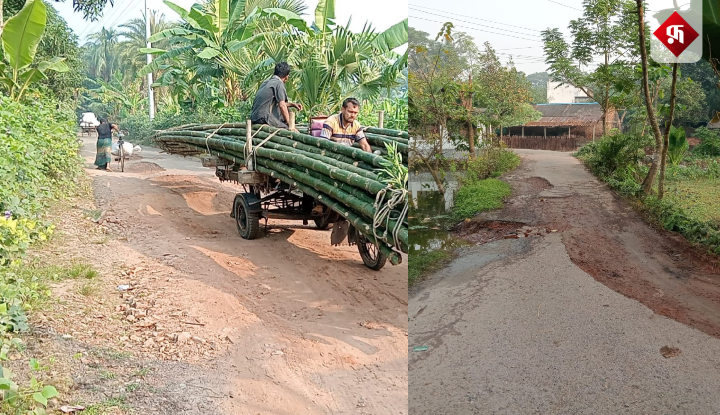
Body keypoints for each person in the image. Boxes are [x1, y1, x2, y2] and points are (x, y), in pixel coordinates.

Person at [251, 62, 303, 129]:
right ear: (287, 77)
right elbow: (282, 106)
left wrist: (292, 104)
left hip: (255, 118)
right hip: (264, 119)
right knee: (286, 128)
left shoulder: (266, 82)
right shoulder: (279, 84)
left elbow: (275, 103)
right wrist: (290, 125)